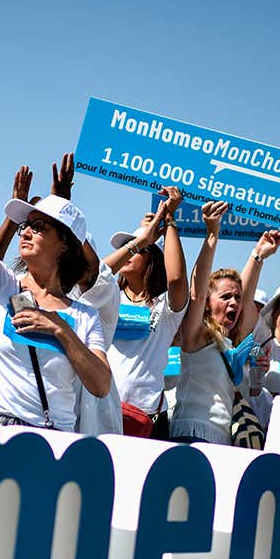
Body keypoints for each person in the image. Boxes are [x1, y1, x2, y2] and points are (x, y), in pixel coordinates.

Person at [0, 108, 109, 430]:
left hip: (48, 438)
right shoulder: (0, 283)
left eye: (38, 226)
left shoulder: (85, 316)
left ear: (65, 244)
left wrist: (60, 329)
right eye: (25, 226)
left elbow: (101, 385)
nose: (25, 232)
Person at [170, 202, 280, 445]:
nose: (234, 303)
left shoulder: (232, 343)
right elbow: (197, 293)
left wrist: (258, 255)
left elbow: (247, 297)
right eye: (225, 297)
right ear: (208, 304)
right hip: (192, 434)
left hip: (224, 440)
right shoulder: (197, 335)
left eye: (237, 298)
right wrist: (212, 234)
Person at [103, 187, 188, 438]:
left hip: (145, 418)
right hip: (101, 410)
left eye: (139, 248)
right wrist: (140, 241)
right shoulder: (108, 296)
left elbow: (176, 278)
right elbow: (92, 276)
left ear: (154, 258)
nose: (129, 251)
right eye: (126, 246)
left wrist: (169, 220)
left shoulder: (165, 306)